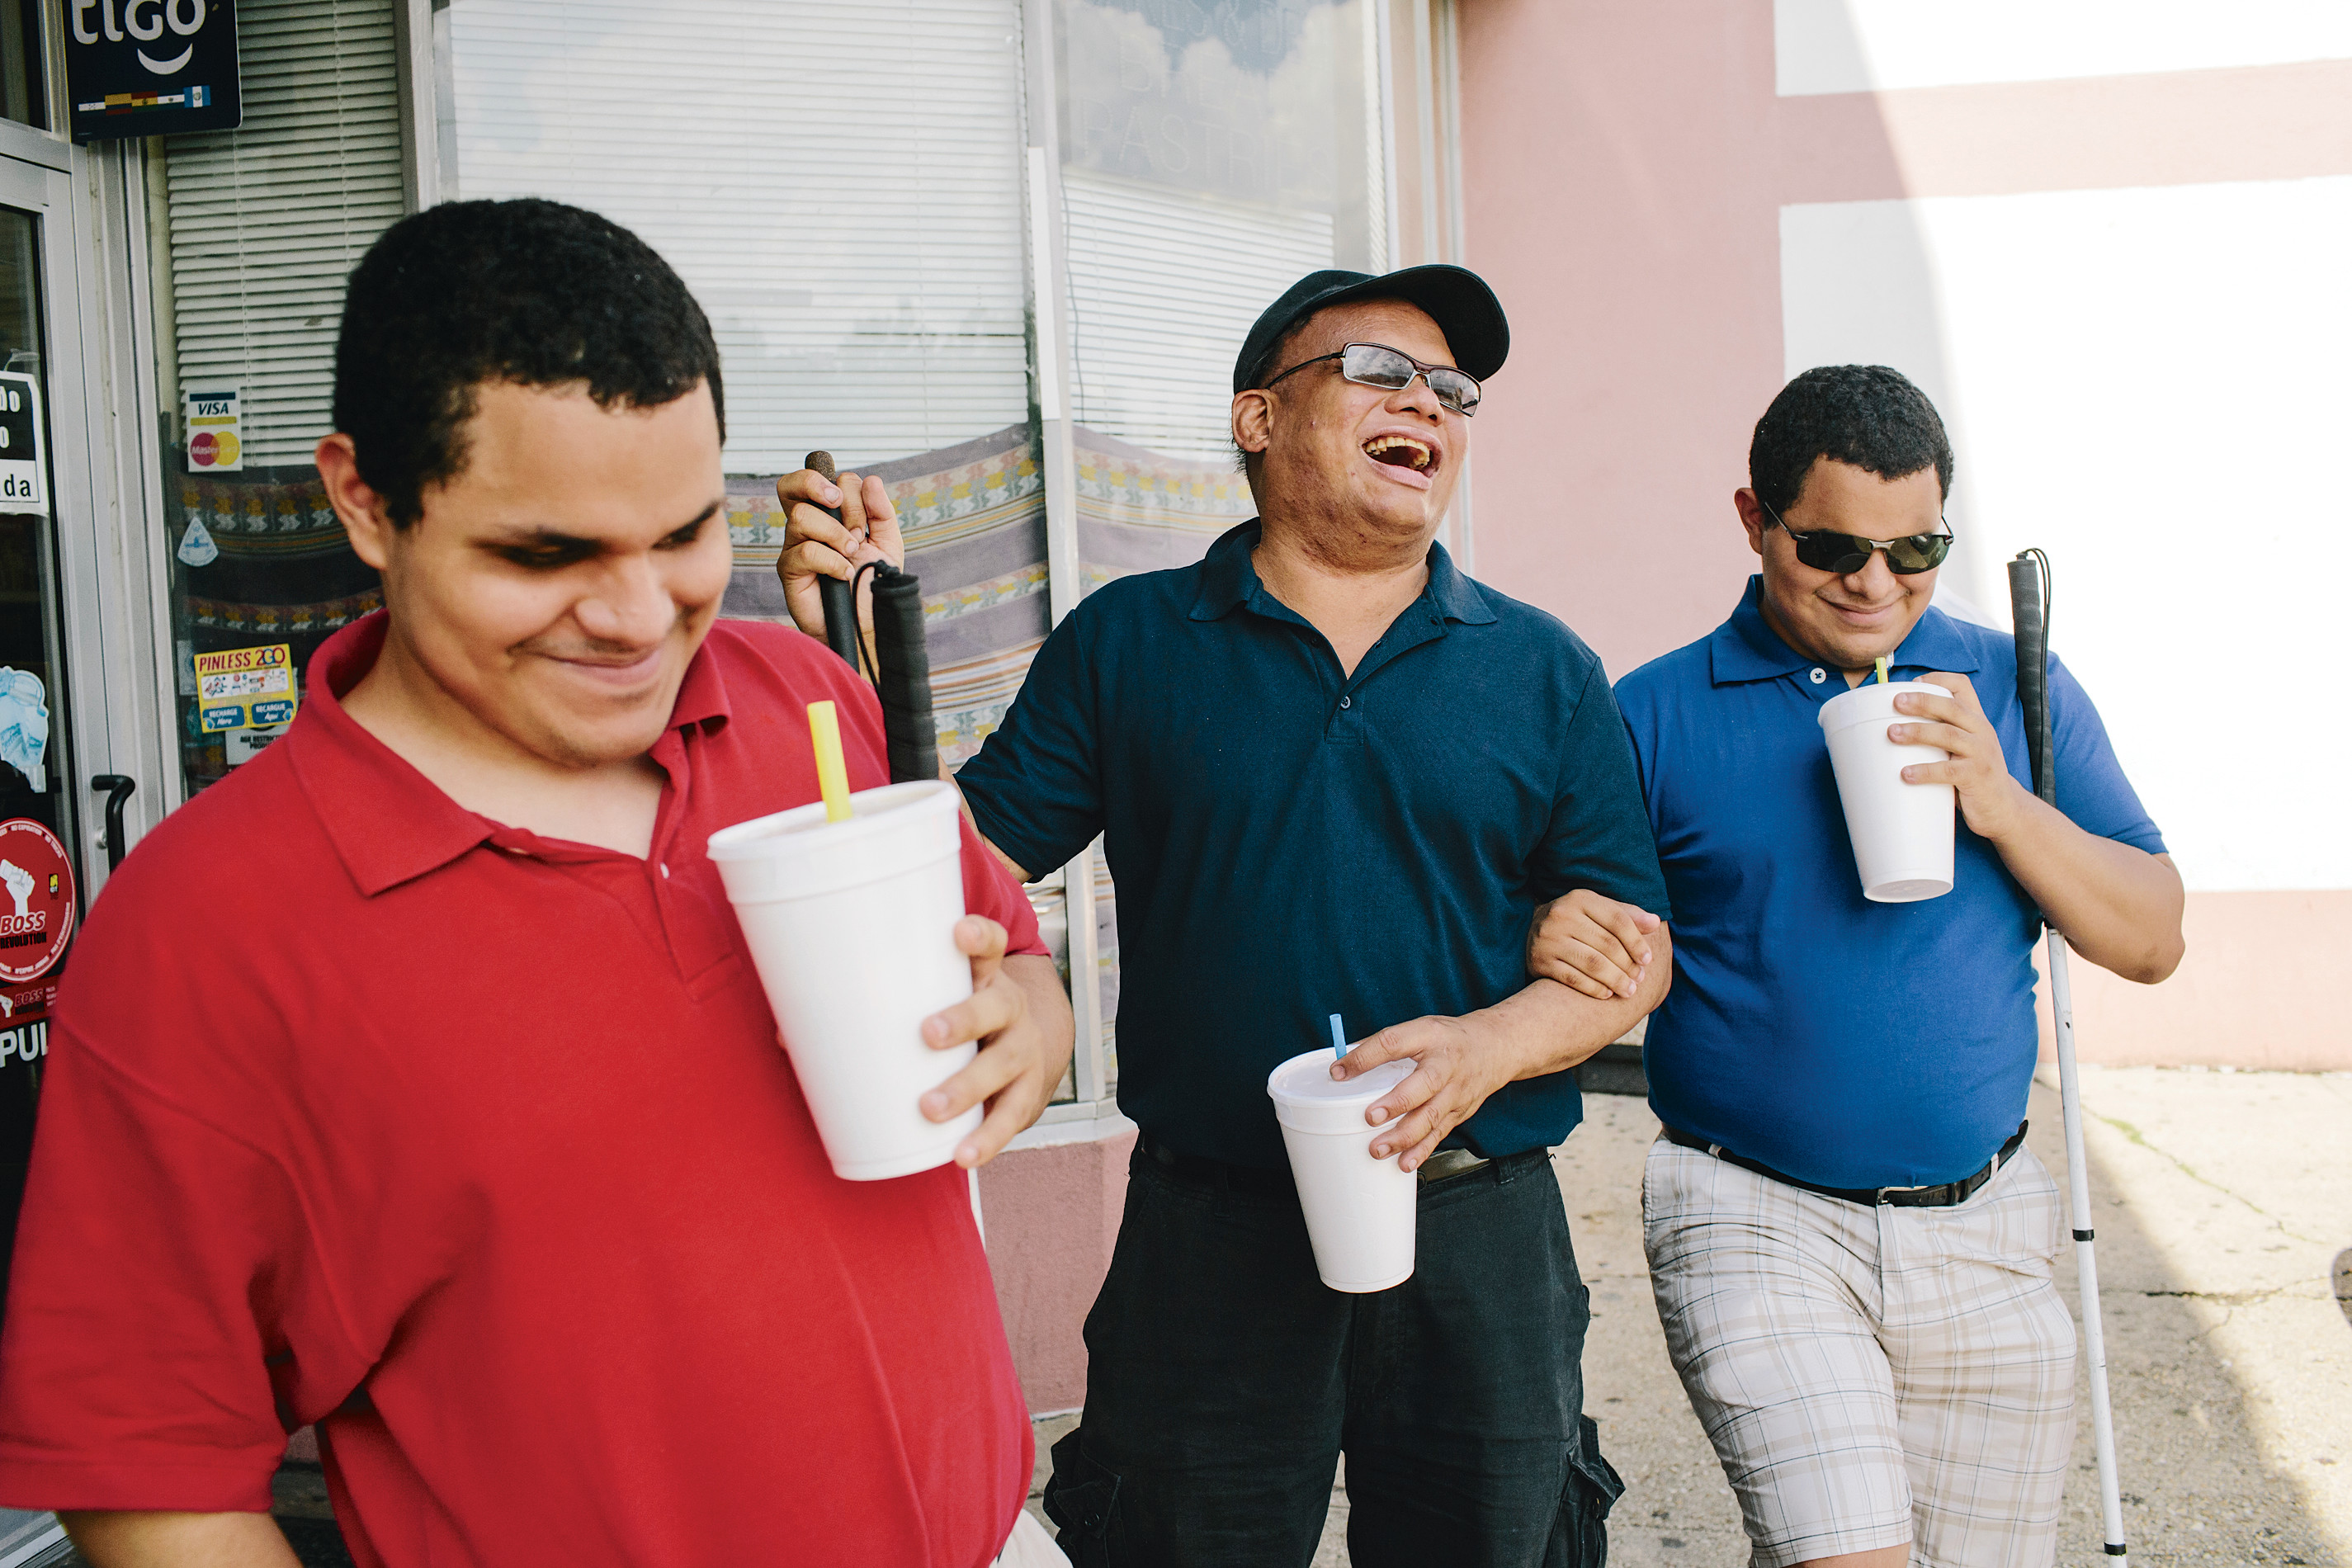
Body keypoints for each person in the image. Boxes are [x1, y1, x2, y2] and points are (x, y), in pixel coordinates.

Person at [0, 198, 1074, 1568]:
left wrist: (1031, 1022)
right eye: (544, 554)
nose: (637, 620)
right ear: (363, 502)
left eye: (684, 535)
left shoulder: (807, 703)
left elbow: (1011, 961)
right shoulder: (204, 929)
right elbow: (147, 1471)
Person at [776, 267, 1672, 1568]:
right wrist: (862, 659)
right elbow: (950, 872)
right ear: (1257, 418)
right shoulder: (1131, 640)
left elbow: (1626, 953)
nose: (1427, 402)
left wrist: (1486, 1049)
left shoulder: (1540, 666)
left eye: (1452, 390)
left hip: (1478, 1223)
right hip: (1212, 1229)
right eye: (1380, 371)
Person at [1531, 365, 2183, 1568]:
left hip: (1986, 1217)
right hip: (1751, 1210)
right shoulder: (1653, 713)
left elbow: (2149, 940)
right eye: (1831, 546)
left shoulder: (2012, 688)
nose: (1875, 583)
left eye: (1914, 548)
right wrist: (1549, 930)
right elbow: (1585, 938)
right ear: (1753, 520)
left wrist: (1996, 797)